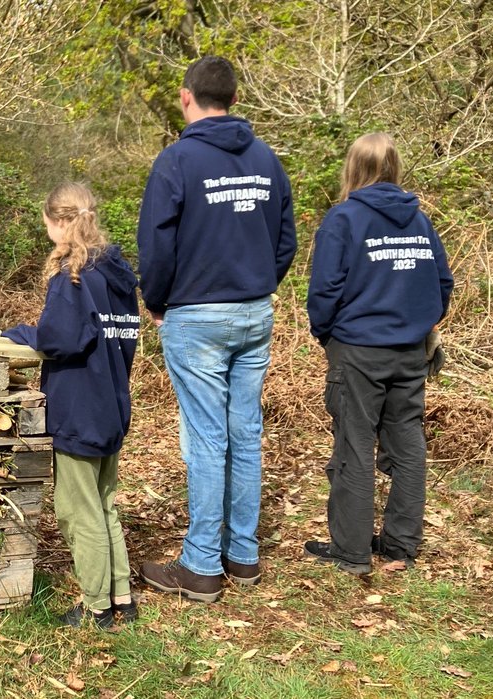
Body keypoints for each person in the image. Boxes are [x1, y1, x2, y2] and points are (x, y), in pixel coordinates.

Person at [136, 56, 296, 602]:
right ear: (232, 97)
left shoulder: (176, 161)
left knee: (208, 440)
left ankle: (202, 565)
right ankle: (244, 557)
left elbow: (156, 246)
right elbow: (285, 241)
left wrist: (156, 301)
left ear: (187, 98)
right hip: (254, 312)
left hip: (197, 316)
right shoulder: (267, 160)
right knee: (244, 435)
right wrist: (255, 283)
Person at [304, 132, 453, 574]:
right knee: (408, 447)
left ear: (354, 168)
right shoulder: (419, 220)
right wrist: (417, 321)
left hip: (358, 350)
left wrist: (327, 334)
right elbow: (442, 284)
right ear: (394, 167)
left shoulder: (343, 220)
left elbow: (325, 291)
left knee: (355, 444)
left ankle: (352, 553)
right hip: (409, 352)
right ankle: (400, 546)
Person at [2, 183, 141, 630]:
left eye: (46, 225)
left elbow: (62, 338)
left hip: (81, 407)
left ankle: (97, 606)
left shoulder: (73, 276)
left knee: (77, 510)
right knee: (104, 504)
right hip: (113, 401)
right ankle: (122, 596)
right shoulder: (117, 276)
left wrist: (24, 334)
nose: (47, 233)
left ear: (60, 222)